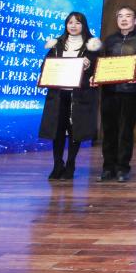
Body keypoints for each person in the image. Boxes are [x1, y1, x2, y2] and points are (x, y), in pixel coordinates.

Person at [39, 11, 101, 180]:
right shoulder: (57, 44)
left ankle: (71, 164)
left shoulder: (92, 45)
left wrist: (89, 68)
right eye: (70, 22)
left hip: (79, 96)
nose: (73, 26)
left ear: (84, 25)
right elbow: (45, 66)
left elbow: (98, 70)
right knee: (57, 130)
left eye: (77, 22)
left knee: (75, 130)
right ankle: (57, 164)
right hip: (58, 94)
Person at [97, 5, 136, 183]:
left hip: (130, 92)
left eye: (128, 16)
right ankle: (108, 168)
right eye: (120, 16)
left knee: (126, 131)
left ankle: (122, 168)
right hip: (109, 91)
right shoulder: (109, 40)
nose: (123, 19)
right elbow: (102, 63)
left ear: (135, 20)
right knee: (109, 130)